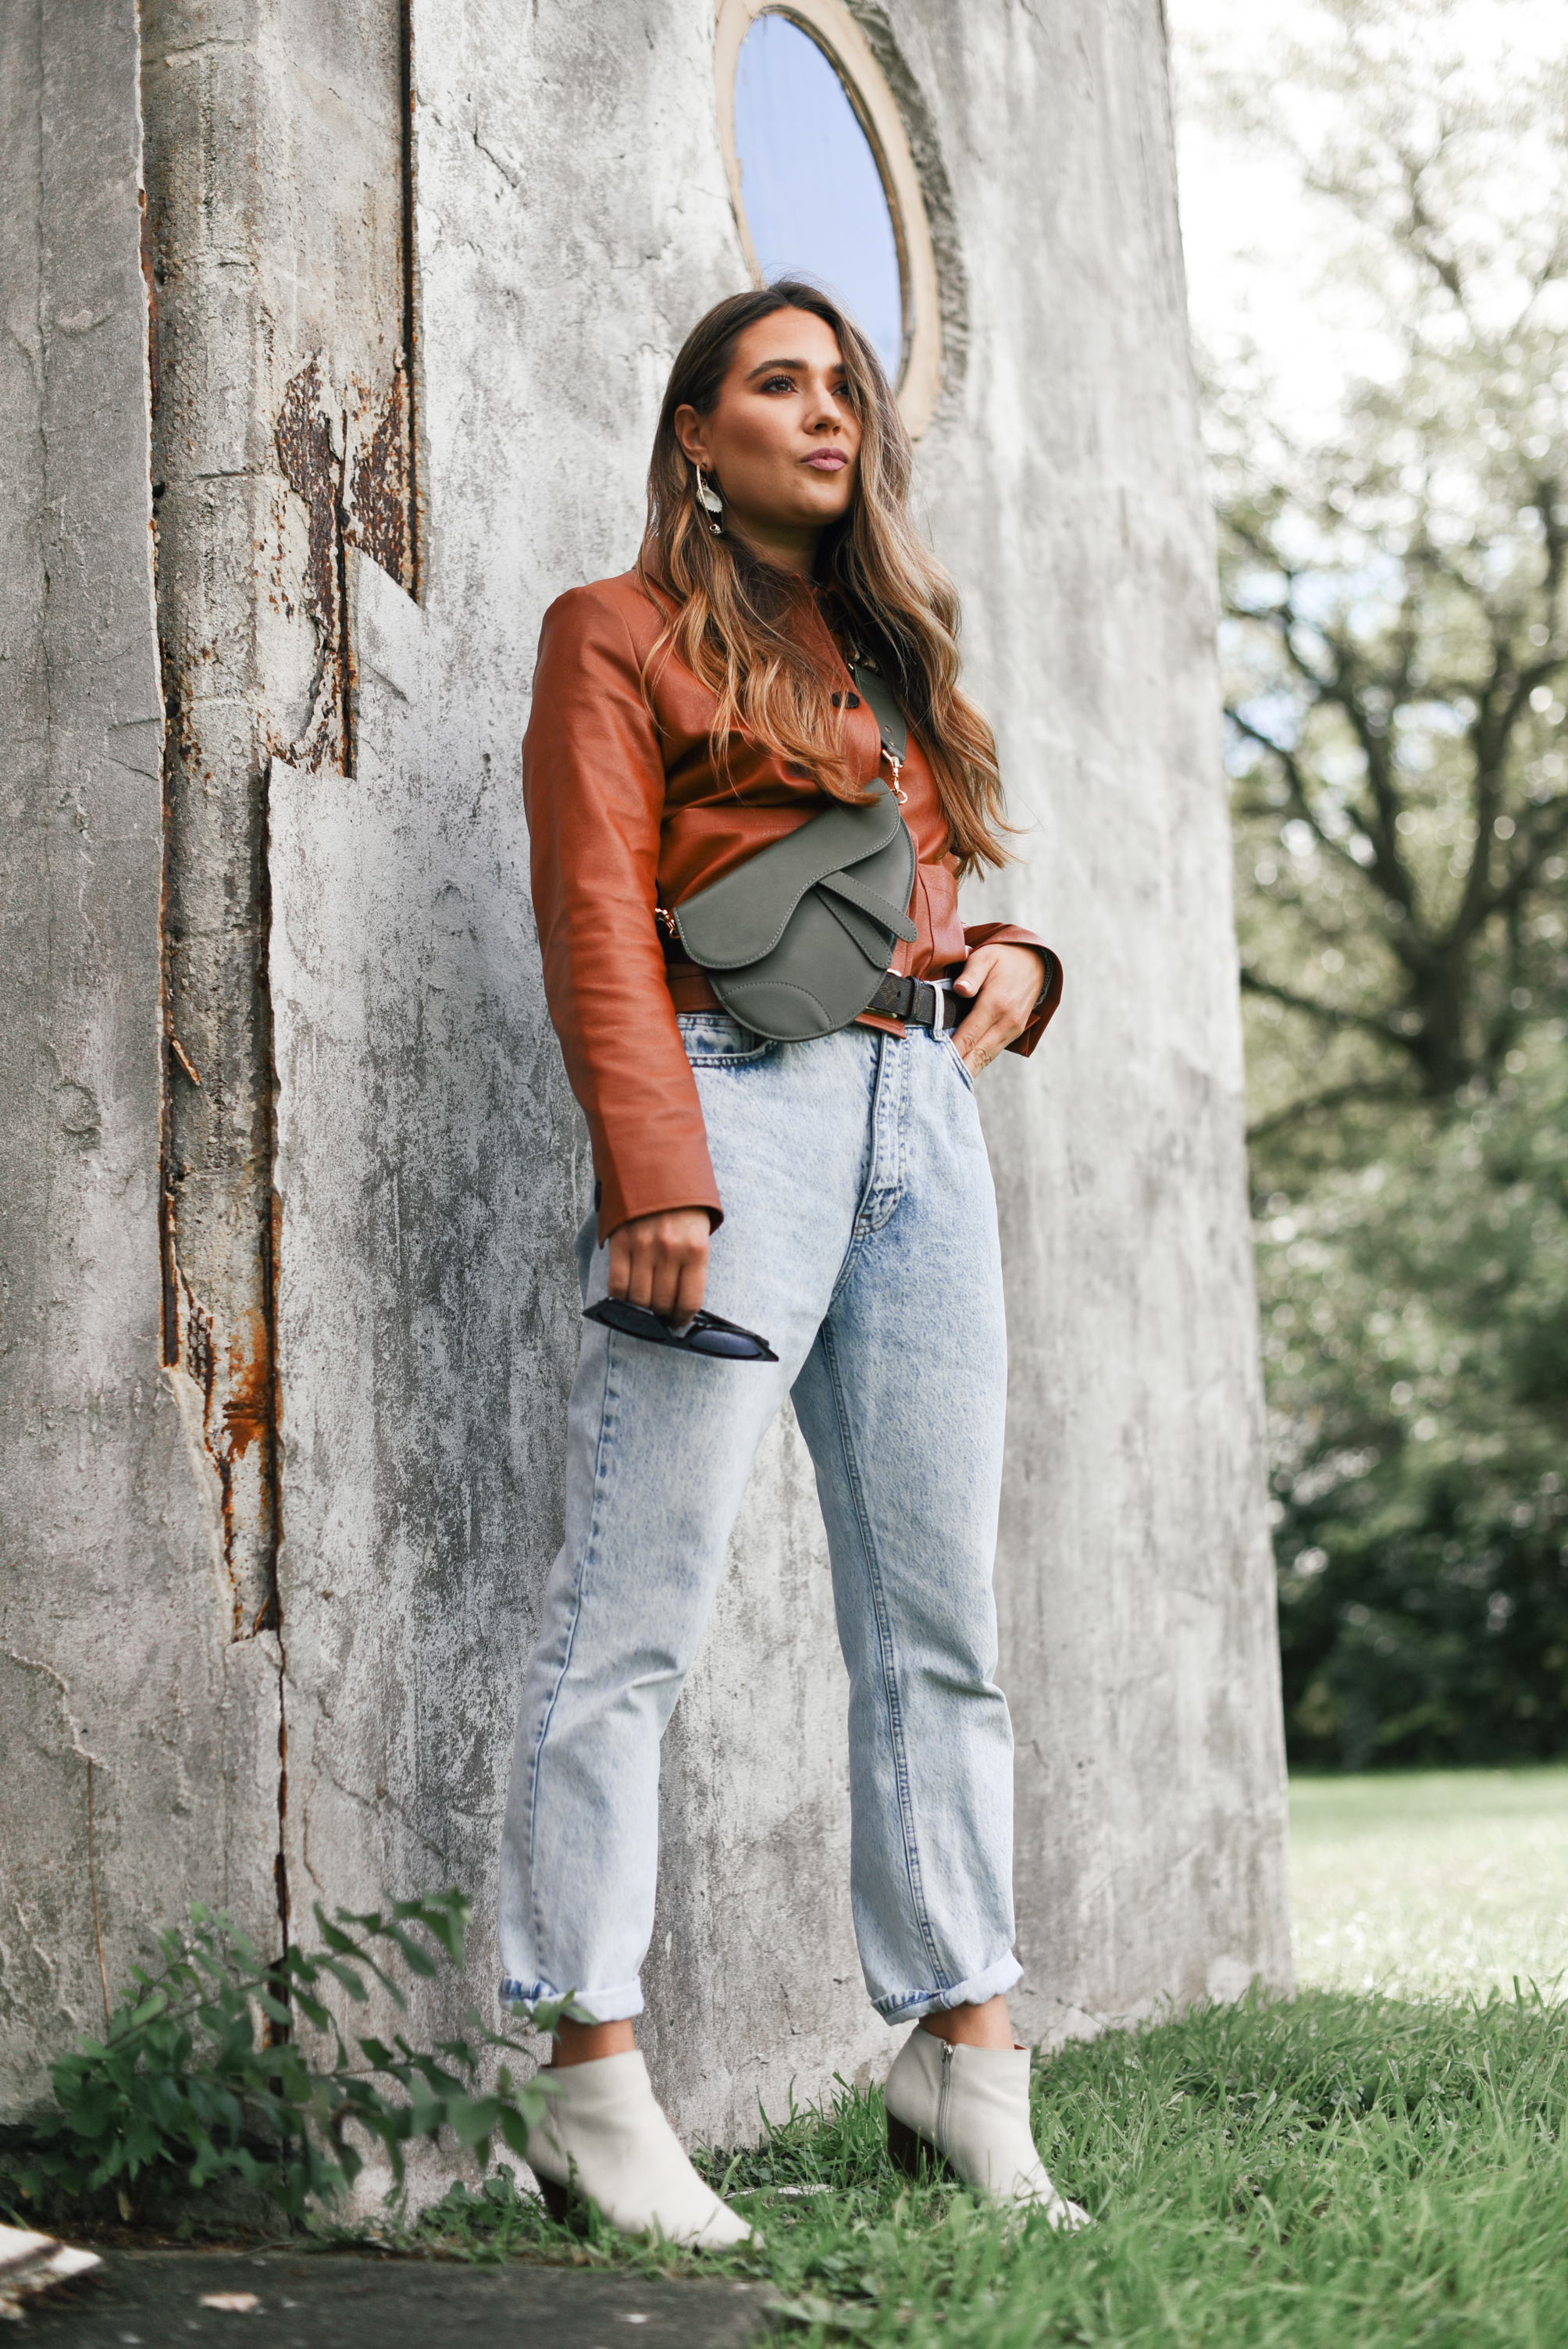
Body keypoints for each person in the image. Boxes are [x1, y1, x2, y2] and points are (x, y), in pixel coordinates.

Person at [503, 282, 1082, 2246]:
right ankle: (590, 2080)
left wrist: (1018, 966)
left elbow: (923, 897)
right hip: (729, 1117)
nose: (822, 411)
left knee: (938, 1627)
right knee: (633, 1621)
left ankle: (962, 2062)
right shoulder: (613, 633)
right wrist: (654, 1164)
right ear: (696, 431)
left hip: (923, 1111)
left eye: (842, 385)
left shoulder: (882, 641)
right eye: (777, 383)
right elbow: (597, 909)